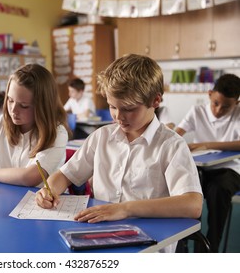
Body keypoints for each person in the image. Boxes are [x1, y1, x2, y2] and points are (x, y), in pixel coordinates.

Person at [36, 54, 203, 253]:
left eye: (129, 109)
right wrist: (50, 190)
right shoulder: (102, 137)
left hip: (149, 245)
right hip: (98, 237)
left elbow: (192, 204)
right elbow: (64, 175)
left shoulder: (171, 145)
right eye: (112, 106)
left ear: (156, 100)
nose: (118, 116)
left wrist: (125, 209)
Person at [175, 73, 240, 252]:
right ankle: (183, 244)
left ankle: (208, 251)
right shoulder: (197, 111)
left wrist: (206, 144)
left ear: (237, 103)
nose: (219, 110)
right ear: (210, 94)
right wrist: (170, 135)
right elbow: (176, 134)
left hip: (230, 170)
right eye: (216, 103)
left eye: (226, 106)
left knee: (217, 191)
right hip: (200, 169)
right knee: (183, 192)